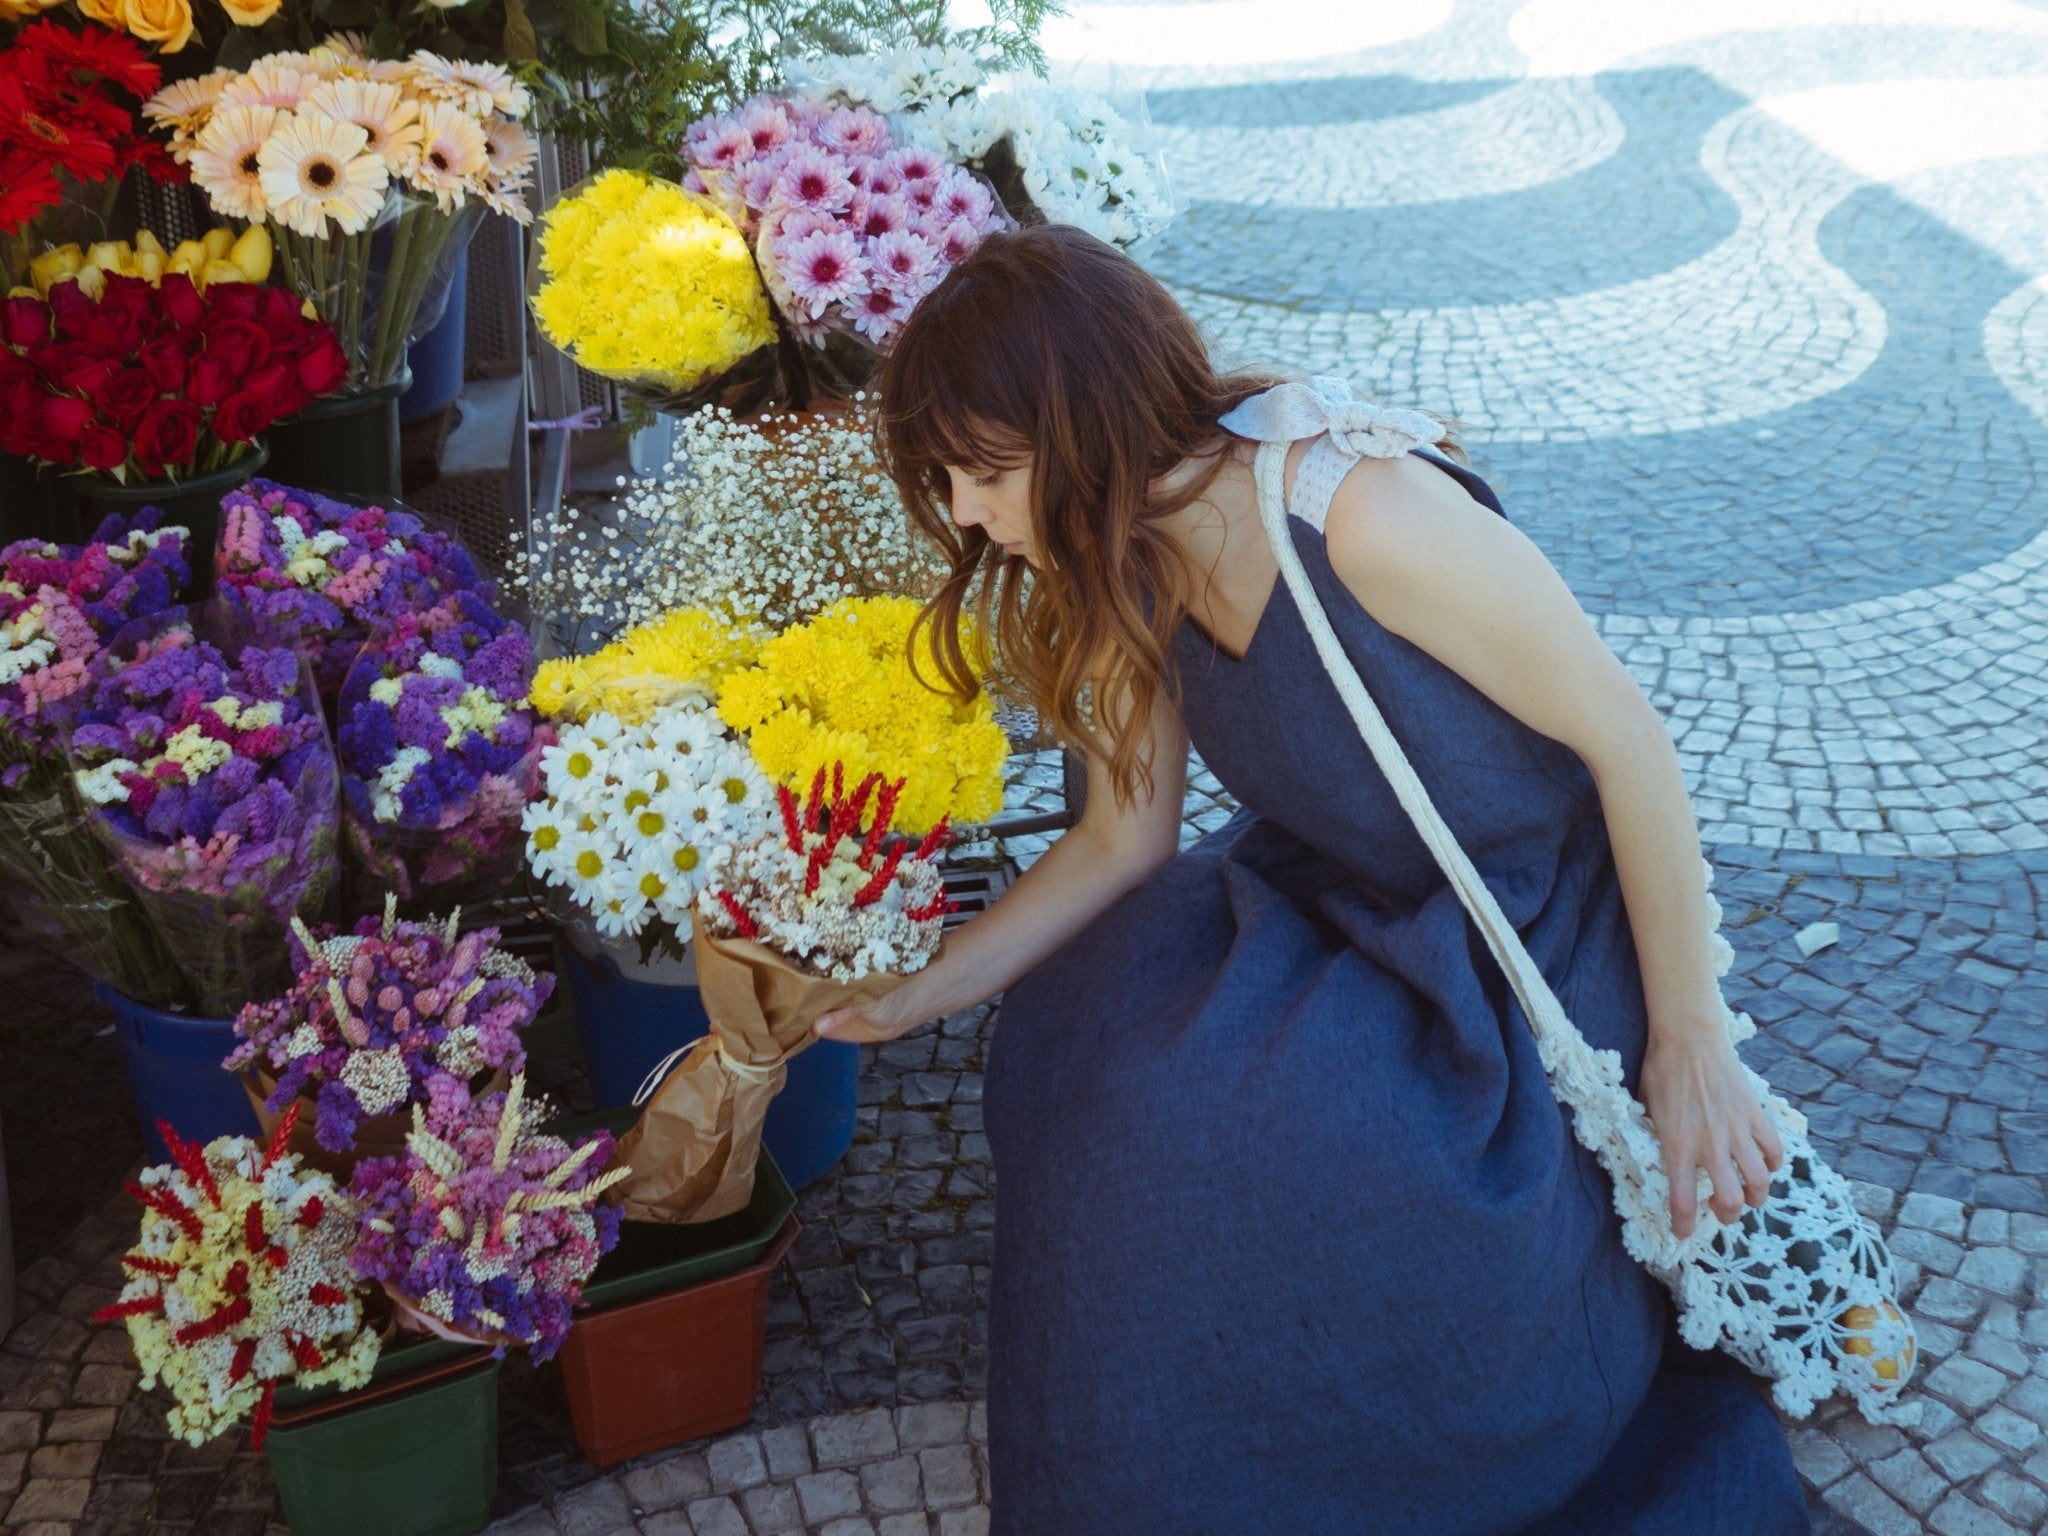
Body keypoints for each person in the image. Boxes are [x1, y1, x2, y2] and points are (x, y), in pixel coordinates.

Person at [812, 224, 1811, 1535]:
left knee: (1291, 1157)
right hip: (1334, 891)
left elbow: (1626, 743)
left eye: (983, 473)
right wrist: (917, 996)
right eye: (944, 482)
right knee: (1079, 1045)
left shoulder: (1363, 515)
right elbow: (1124, 840)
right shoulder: (1121, 553)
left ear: (1082, 420)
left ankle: (1367, 1440)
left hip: (1521, 925)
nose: (965, 518)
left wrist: (1690, 1045)